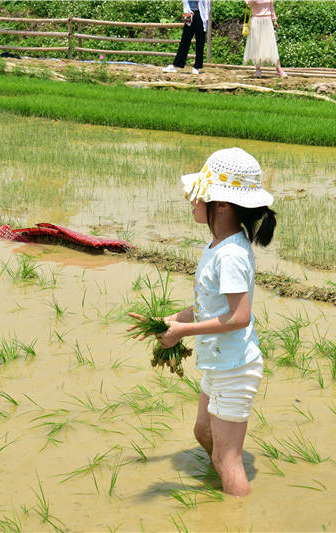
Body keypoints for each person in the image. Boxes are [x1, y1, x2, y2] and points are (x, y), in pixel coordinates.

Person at [130, 147, 276, 496]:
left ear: (222, 204)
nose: (191, 201)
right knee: (203, 432)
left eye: (198, 195)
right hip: (220, 363)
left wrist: (184, 332)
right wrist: (168, 320)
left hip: (236, 368)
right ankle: (222, 486)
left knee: (227, 459)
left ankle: (235, 508)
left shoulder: (231, 256)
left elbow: (239, 317)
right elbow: (208, 306)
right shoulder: (217, 245)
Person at [163, 0, 211, 75]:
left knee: (200, 42)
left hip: (200, 15)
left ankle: (197, 66)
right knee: (184, 41)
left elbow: (207, 4)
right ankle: (176, 65)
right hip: (188, 15)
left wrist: (206, 17)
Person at [243, 0, 287, 78]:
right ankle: (257, 68)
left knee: (271, 44)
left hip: (267, 21)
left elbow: (271, 7)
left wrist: (274, 19)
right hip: (256, 20)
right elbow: (248, 3)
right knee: (256, 45)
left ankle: (279, 69)